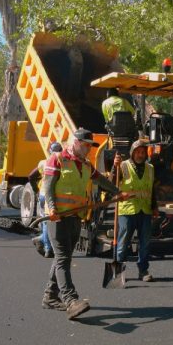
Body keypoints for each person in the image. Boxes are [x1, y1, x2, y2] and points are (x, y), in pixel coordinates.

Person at [41, 127, 124, 318]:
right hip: (58, 218)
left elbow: (101, 180)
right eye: (86, 145)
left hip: (76, 216)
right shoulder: (58, 159)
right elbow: (48, 187)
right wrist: (52, 209)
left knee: (63, 258)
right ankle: (71, 300)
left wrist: (118, 192)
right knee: (63, 258)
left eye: (90, 146)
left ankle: (50, 296)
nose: (88, 149)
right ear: (76, 143)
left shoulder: (86, 165)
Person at [110, 139, 159, 282]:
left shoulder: (150, 168)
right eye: (138, 152)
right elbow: (112, 183)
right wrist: (114, 167)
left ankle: (143, 271)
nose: (140, 154)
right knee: (123, 242)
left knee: (145, 243)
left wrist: (155, 207)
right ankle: (118, 273)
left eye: (143, 152)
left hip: (145, 210)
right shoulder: (123, 165)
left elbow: (152, 189)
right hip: (127, 210)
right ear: (132, 153)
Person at [29, 141, 64, 258]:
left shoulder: (43, 163)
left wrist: (36, 190)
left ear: (50, 151)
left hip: (44, 194)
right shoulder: (64, 163)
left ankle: (45, 245)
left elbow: (31, 176)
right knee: (51, 222)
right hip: (55, 195)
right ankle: (49, 248)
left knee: (46, 222)